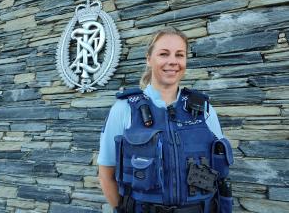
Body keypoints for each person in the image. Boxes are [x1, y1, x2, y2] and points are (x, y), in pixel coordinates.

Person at [98, 27, 233, 213]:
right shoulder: (124, 109)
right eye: (164, 54)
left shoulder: (204, 109)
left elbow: (219, 172)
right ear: (149, 59)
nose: (172, 61)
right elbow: (106, 176)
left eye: (179, 55)